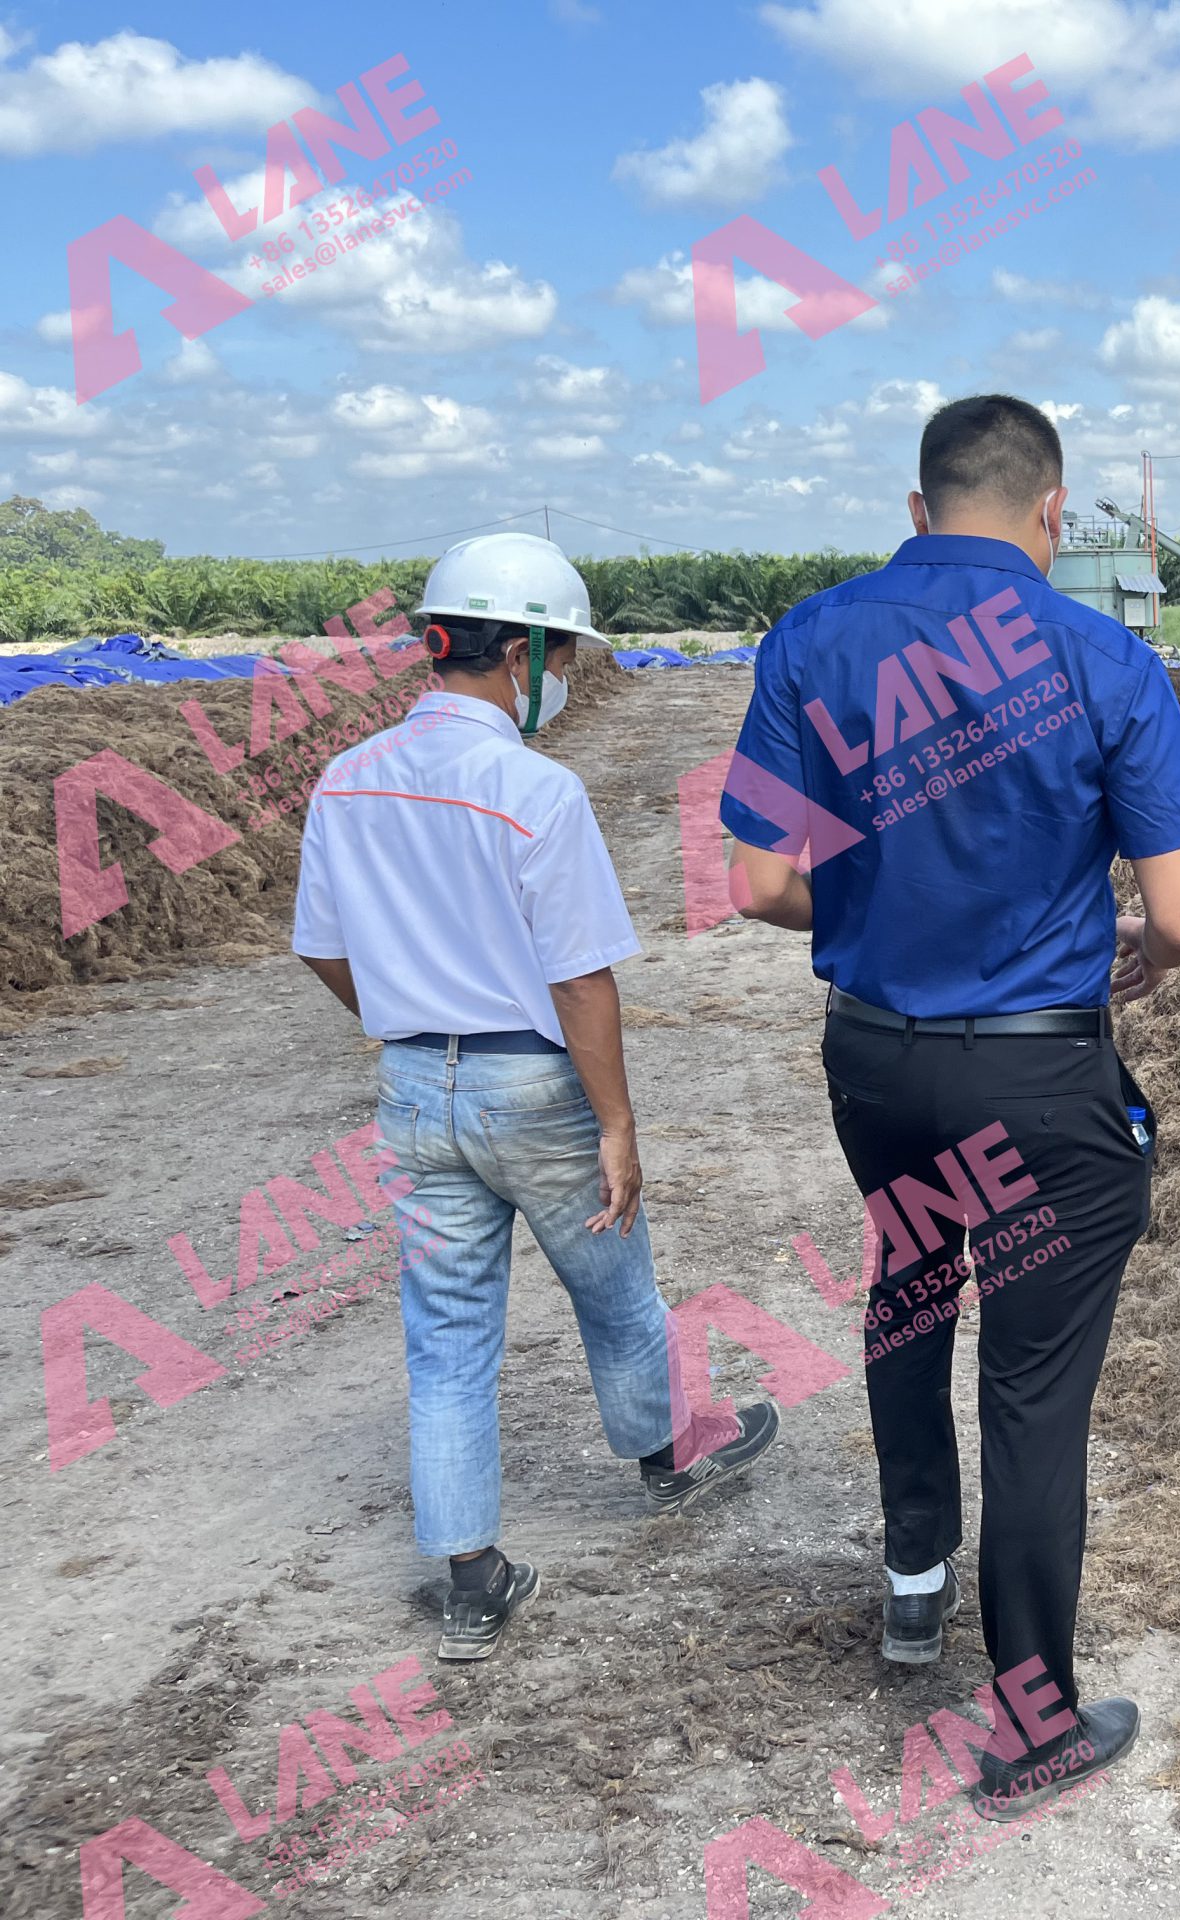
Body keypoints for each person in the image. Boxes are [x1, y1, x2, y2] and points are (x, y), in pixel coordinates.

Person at [723, 394, 1180, 1819]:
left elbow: (759, 881)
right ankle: (1032, 1721)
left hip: (877, 1061)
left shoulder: (813, 639)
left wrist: (873, 908)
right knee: (1033, 1392)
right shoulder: (1104, 656)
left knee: (911, 1285)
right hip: (1037, 1068)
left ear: (919, 504)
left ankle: (911, 1581)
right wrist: (1128, 959)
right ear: (1054, 514)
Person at [290, 532, 781, 1664]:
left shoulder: (346, 779)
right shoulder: (535, 789)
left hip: (416, 1083)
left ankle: (472, 1578)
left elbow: (320, 948)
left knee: (448, 1336)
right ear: (518, 654)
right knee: (615, 1291)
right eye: (554, 655)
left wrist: (403, 1014)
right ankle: (669, 1460)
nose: (556, 677)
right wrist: (616, 1122)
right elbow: (578, 976)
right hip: (532, 1082)